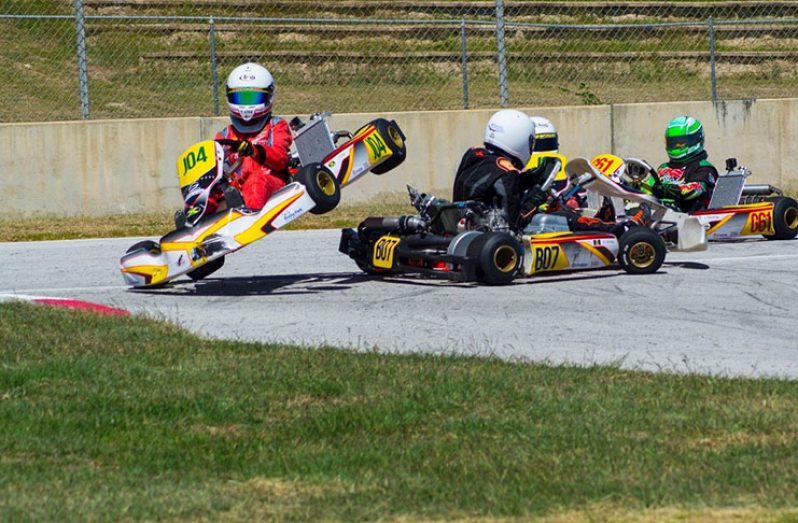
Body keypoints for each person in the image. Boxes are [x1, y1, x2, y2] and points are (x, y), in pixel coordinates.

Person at [452, 109, 641, 234]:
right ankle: (622, 229)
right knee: (567, 219)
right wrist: (537, 196)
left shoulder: (474, 154)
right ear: (519, 139)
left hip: (470, 222)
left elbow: (492, 188)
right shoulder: (507, 174)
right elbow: (515, 223)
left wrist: (531, 177)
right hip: (502, 233)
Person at [210, 62, 293, 213]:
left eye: (252, 98)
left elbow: (280, 159)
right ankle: (191, 226)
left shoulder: (276, 126)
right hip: (235, 190)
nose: (246, 106)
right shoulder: (225, 135)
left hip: (271, 184)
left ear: (268, 97)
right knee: (208, 190)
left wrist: (254, 150)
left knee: (256, 180)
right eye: (241, 99)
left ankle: (247, 216)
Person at [641, 116, 718, 213]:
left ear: (695, 141)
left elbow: (696, 189)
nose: (675, 146)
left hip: (690, 218)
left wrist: (667, 190)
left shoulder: (704, 167)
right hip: (660, 213)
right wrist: (636, 186)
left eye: (680, 144)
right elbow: (648, 186)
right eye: (673, 143)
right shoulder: (664, 168)